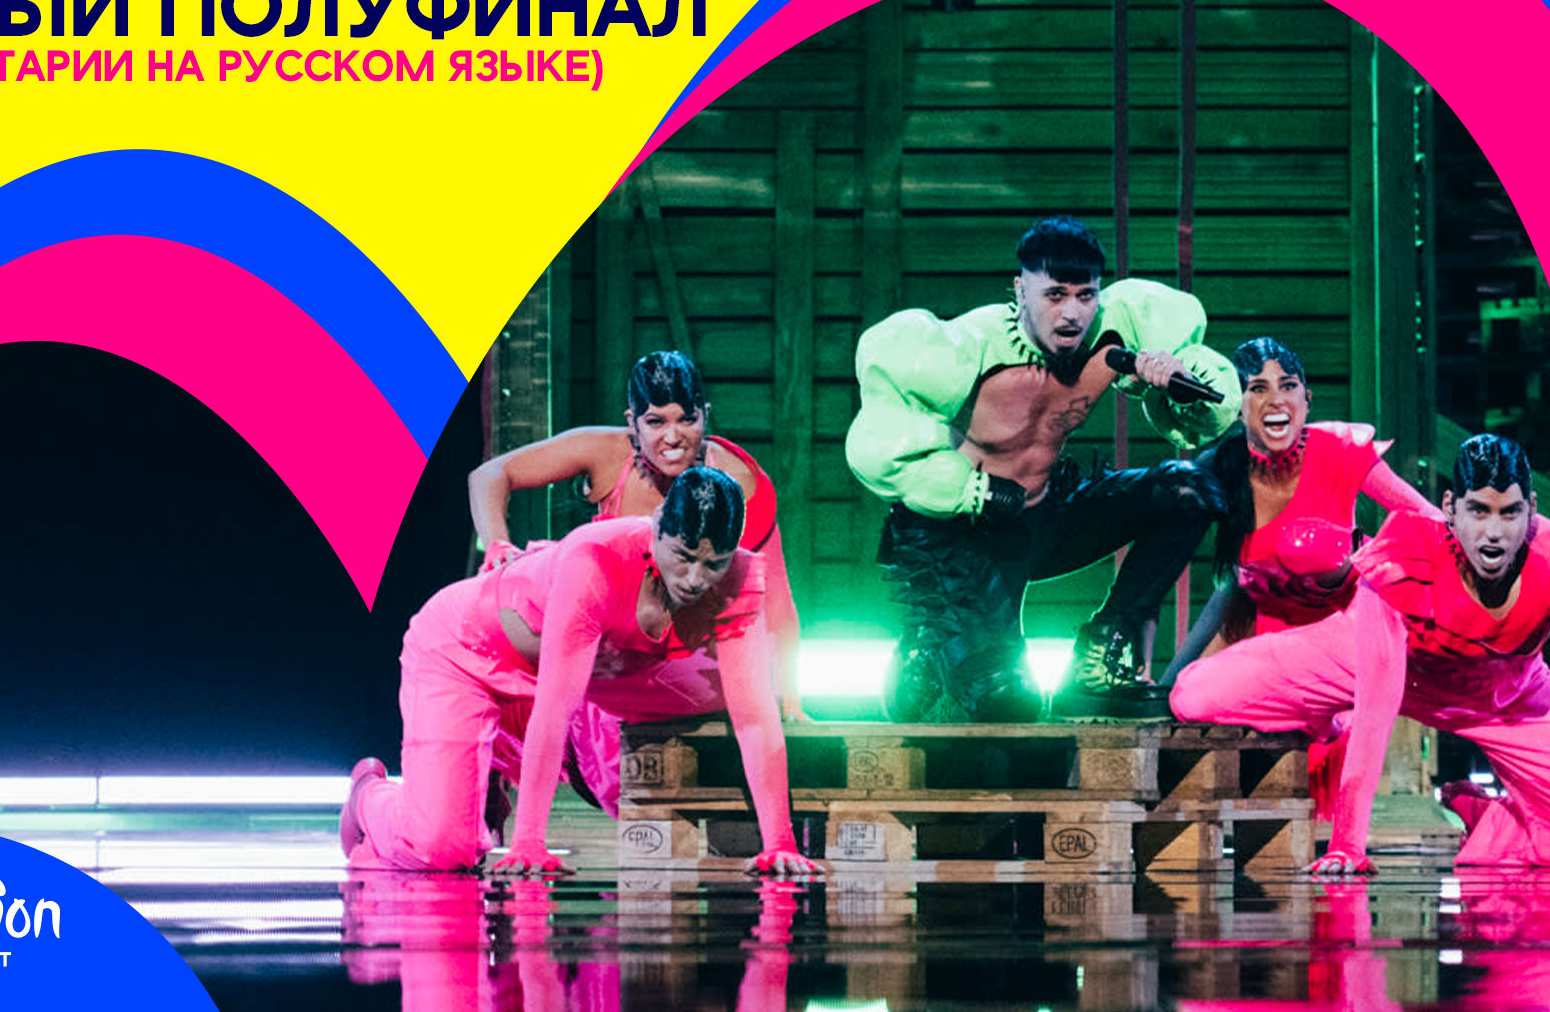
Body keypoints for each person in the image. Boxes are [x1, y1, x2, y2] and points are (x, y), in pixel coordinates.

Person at [846, 215, 1239, 721]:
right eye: (1055, 295)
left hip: (1042, 514)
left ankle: (1101, 654)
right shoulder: (967, 347)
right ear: (1020, 290)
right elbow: (883, 449)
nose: (1071, 313)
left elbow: (1209, 418)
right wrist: (970, 492)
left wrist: (1178, 383)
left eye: (1085, 295)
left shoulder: (1115, 335)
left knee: (1191, 490)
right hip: (961, 534)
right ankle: (930, 641)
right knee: (1007, 700)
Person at [342, 467, 819, 877]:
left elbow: (754, 720)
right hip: (464, 651)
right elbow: (555, 712)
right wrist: (529, 842)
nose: (695, 579)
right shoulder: (597, 562)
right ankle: (367, 796)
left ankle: (489, 768)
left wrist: (780, 843)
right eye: (684, 556)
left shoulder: (737, 580)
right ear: (658, 526)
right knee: (443, 850)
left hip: (573, 672)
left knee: (738, 685)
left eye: (713, 564)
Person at [1171, 435, 1550, 872]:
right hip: (1380, 662)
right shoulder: (1403, 553)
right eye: (1479, 511)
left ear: (1531, 509)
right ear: (1450, 507)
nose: (1494, 533)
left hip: (1505, 699)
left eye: (1510, 513)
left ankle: (1481, 814)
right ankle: (1327, 721)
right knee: (1197, 696)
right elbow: (1376, 709)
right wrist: (1347, 845)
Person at [469, 350, 804, 720]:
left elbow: (777, 606)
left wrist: (791, 701)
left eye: (687, 420)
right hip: (603, 640)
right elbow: (489, 475)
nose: (673, 437)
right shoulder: (608, 453)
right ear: (633, 423)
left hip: (680, 652)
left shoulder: (737, 482)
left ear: (705, 416)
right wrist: (497, 547)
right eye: (656, 422)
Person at [1162, 337, 1438, 679]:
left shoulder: (1340, 448)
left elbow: (1431, 522)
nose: (1276, 400)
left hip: (1350, 641)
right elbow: (1227, 592)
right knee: (1187, 695)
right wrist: (1171, 681)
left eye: (1288, 385)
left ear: (1307, 399)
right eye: (1258, 388)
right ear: (1237, 406)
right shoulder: (1220, 465)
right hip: (1266, 642)